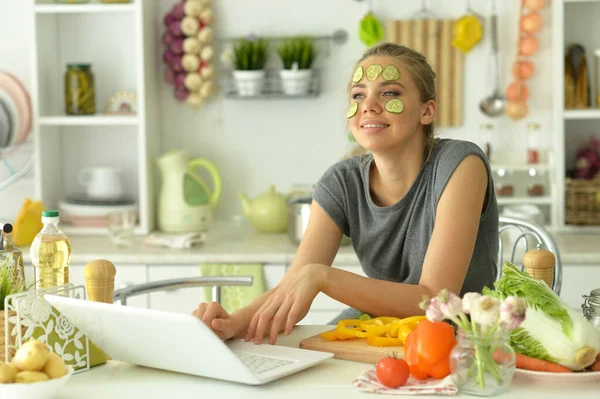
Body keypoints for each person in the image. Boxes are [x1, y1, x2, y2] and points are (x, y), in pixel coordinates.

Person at [192, 43, 499, 345]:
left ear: (427, 111)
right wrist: (233, 322)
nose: (369, 105)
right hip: (380, 330)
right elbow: (296, 283)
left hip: (462, 339)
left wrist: (323, 277)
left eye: (389, 92)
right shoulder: (341, 182)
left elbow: (435, 298)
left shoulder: (461, 165)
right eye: (358, 95)